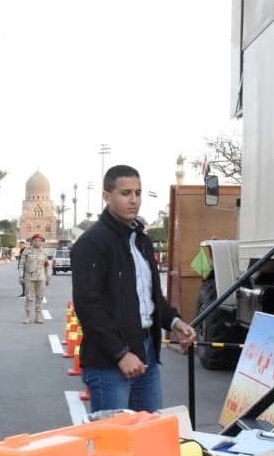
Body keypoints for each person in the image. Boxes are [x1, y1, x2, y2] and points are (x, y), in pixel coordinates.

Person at [71, 165, 196, 412]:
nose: (134, 200)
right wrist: (120, 354)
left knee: (148, 437)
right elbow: (88, 307)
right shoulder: (92, 243)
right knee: (113, 444)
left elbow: (150, 296)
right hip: (110, 362)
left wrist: (174, 322)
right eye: (125, 193)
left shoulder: (141, 240)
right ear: (107, 196)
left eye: (138, 193)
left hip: (147, 351)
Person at [20, 233, 50, 324]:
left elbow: (46, 266)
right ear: (32, 241)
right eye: (36, 240)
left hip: (41, 278)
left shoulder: (44, 252)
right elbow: (22, 265)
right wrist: (21, 276)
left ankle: (38, 316)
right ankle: (28, 316)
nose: (37, 242)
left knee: (39, 297)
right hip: (29, 277)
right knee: (29, 297)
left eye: (39, 241)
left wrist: (48, 277)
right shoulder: (27, 251)